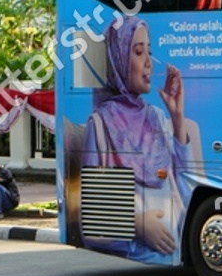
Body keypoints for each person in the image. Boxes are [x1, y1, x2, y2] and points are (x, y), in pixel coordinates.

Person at [82, 15, 200, 263]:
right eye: (138, 52)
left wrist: (177, 120)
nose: (149, 62)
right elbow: (92, 223)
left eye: (149, 51)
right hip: (142, 256)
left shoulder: (157, 117)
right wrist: (138, 225)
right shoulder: (101, 125)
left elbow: (188, 198)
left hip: (178, 257)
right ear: (118, 60)